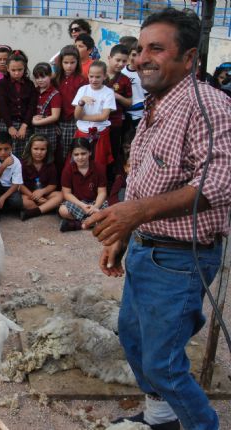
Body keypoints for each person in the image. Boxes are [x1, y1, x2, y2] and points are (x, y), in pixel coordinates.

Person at [84, 8, 231, 430]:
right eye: (141, 48)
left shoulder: (209, 106)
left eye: (157, 49)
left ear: (189, 59)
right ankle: (161, 419)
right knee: (134, 341)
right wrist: (125, 234)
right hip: (147, 251)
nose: (142, 57)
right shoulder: (157, 104)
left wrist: (137, 212)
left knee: (164, 364)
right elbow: (147, 183)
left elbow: (219, 184)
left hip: (182, 260)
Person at [72, 61, 116, 167]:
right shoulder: (83, 90)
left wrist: (83, 117)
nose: (94, 80)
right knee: (80, 161)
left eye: (98, 77)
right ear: (87, 75)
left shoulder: (108, 92)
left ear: (104, 76)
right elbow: (76, 115)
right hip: (82, 131)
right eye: (91, 76)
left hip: (100, 132)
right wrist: (81, 102)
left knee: (99, 163)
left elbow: (104, 116)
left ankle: (99, 183)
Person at [59, 137, 107, 232]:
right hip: (78, 202)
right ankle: (92, 222)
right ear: (72, 155)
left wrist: (96, 206)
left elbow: (102, 192)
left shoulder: (99, 168)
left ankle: (78, 225)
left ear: (90, 152)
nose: (80, 157)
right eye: (76, 154)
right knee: (63, 210)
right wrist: (82, 205)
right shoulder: (68, 170)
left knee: (108, 210)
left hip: (95, 202)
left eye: (83, 153)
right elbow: (67, 194)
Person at [0, 51, 36, 158]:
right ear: (8, 69)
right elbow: (2, 105)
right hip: (7, 123)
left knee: (24, 155)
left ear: (24, 69)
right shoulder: (2, 84)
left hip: (25, 124)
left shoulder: (30, 84)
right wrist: (10, 126)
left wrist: (24, 125)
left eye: (20, 70)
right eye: (13, 70)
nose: (17, 73)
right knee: (6, 154)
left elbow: (31, 106)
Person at [54, 45, 88, 166]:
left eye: (72, 62)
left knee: (72, 152)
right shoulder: (56, 79)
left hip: (74, 121)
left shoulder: (82, 80)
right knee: (58, 153)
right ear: (60, 63)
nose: (69, 66)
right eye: (66, 62)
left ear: (77, 62)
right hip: (58, 121)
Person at [19, 135, 63, 220]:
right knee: (24, 202)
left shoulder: (50, 165)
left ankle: (34, 212)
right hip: (29, 195)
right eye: (36, 149)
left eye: (42, 149)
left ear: (47, 150)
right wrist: (34, 197)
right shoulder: (23, 163)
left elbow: (52, 185)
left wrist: (42, 192)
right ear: (30, 149)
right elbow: (19, 185)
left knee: (60, 195)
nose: (39, 152)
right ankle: (48, 207)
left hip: (44, 195)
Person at [104, 45, 133, 175]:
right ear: (109, 58)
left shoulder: (125, 80)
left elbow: (129, 102)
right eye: (117, 60)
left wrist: (116, 96)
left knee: (113, 151)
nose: (121, 64)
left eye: (124, 61)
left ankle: (112, 181)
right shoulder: (98, 74)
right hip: (96, 121)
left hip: (115, 122)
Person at [31, 62, 61, 158]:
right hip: (34, 131)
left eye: (43, 77)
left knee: (48, 156)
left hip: (49, 130)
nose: (40, 80)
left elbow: (55, 116)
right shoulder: (34, 91)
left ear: (50, 75)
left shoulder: (55, 94)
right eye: (37, 78)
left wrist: (36, 122)